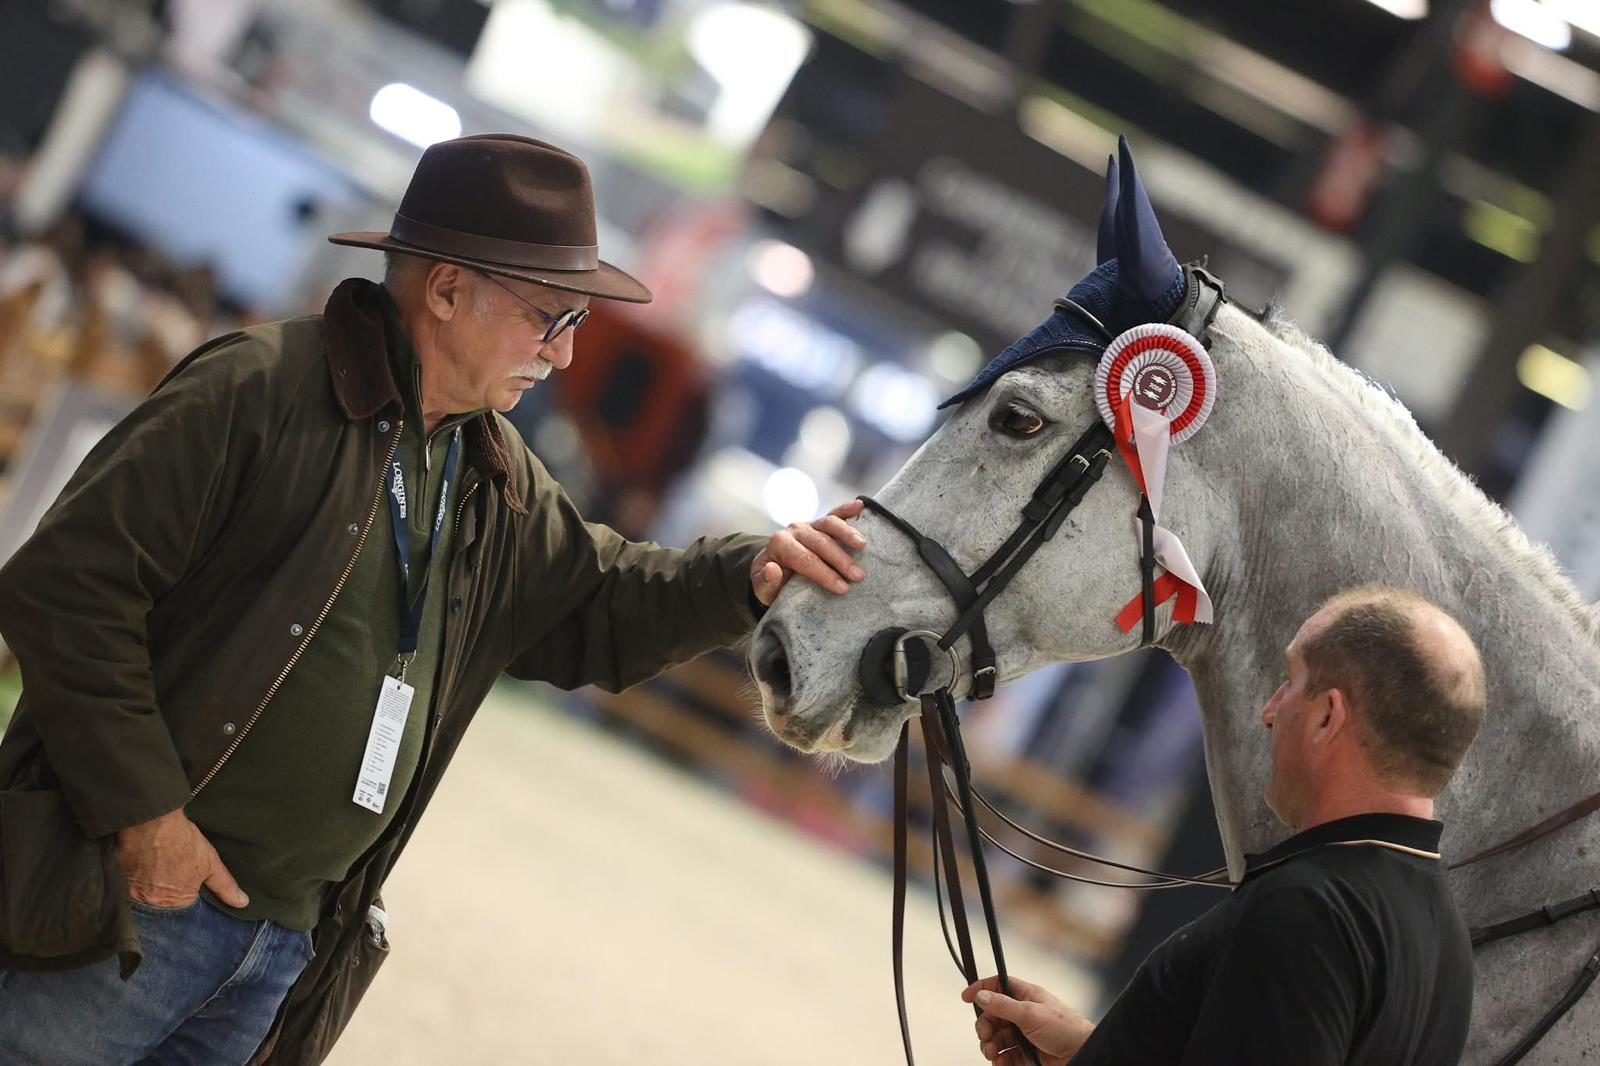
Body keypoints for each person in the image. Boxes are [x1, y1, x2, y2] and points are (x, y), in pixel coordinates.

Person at [0, 134, 867, 1066]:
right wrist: (146, 820)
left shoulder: (491, 470)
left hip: (284, 943)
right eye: (552, 316)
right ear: (448, 291)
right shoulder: (256, 390)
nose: (568, 355)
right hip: (128, 899)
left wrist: (745, 575)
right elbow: (68, 589)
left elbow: (592, 602)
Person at [962, 585, 1487, 1065]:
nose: (1269, 710)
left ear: (1328, 716)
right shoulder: (1447, 943)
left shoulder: (1308, 909)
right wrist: (1097, 1051)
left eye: (1290, 681)